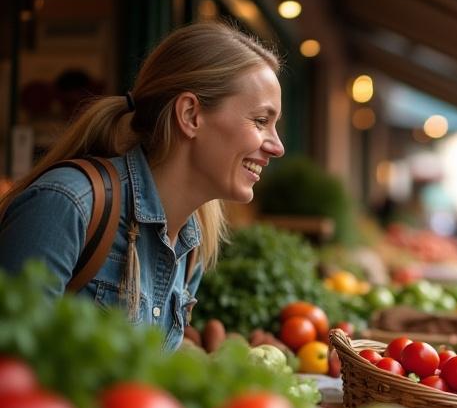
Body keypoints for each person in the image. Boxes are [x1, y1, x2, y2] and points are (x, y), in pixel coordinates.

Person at [0, 22, 284, 350]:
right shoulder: (66, 205)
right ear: (191, 115)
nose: (277, 147)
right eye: (262, 121)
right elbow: (11, 371)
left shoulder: (192, 243)